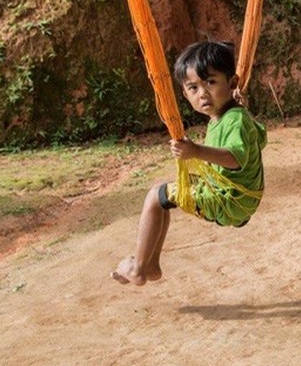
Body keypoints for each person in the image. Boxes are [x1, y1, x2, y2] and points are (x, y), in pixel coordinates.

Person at [112, 40, 266, 286]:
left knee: (154, 196)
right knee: (163, 197)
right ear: (185, 94)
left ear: (232, 83)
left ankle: (138, 267)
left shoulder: (234, 120)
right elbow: (260, 138)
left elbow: (236, 159)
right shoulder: (231, 115)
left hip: (228, 200)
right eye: (193, 88)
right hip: (233, 194)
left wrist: (194, 150)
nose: (202, 93)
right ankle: (151, 263)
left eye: (211, 82)